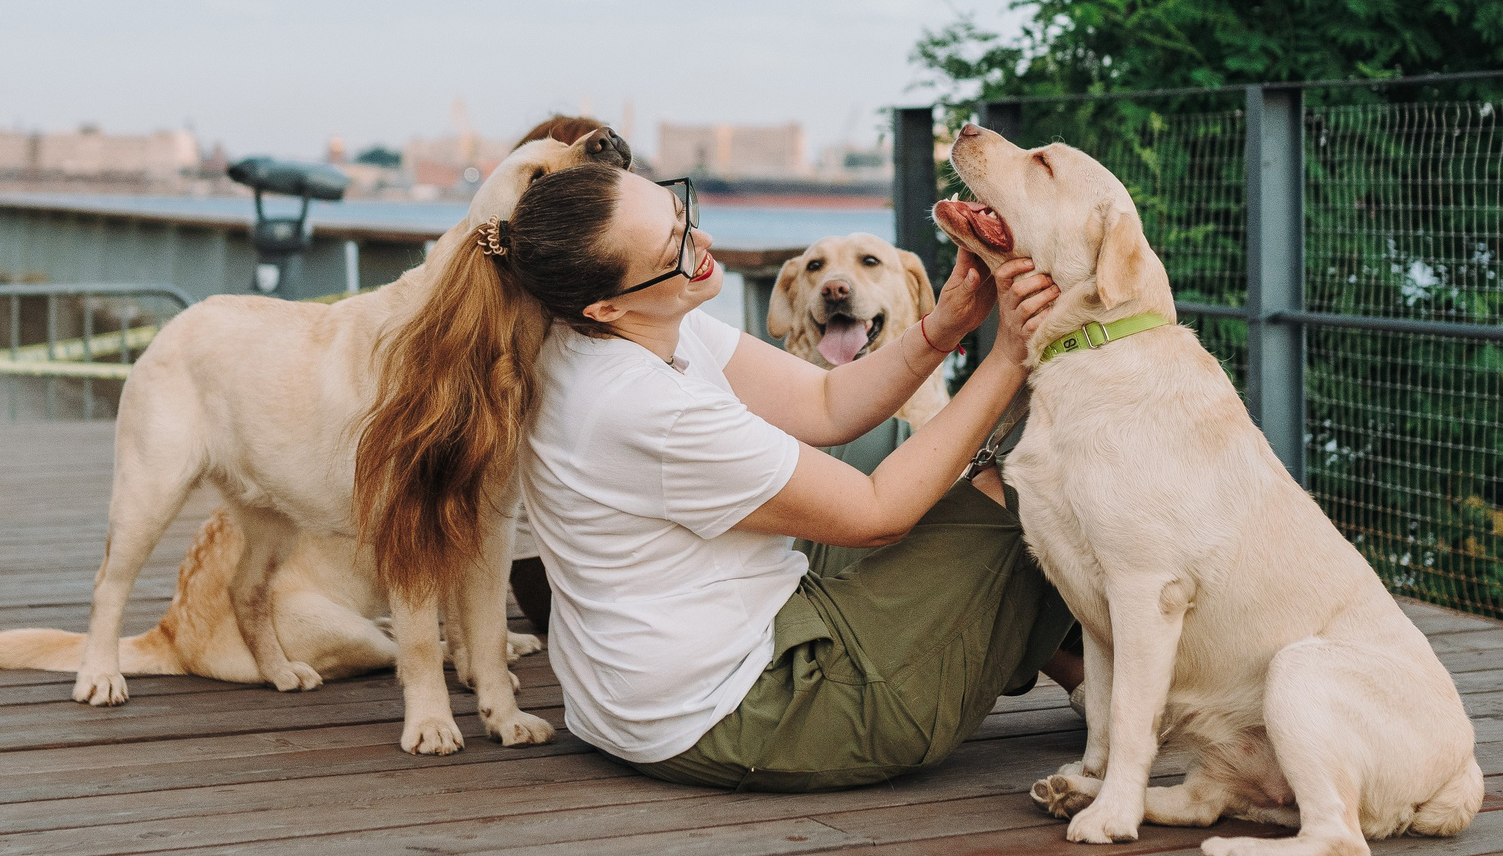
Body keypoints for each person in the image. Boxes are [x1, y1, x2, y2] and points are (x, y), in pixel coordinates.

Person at [356, 161, 1079, 793]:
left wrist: (944, 327)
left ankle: (1062, 661)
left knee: (888, 441)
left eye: (682, 213)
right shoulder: (644, 405)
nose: (700, 243)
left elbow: (826, 404)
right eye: (674, 246)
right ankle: (1084, 671)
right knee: (1027, 478)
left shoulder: (620, 317)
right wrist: (1007, 355)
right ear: (607, 302)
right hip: (747, 712)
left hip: (645, 683)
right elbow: (877, 512)